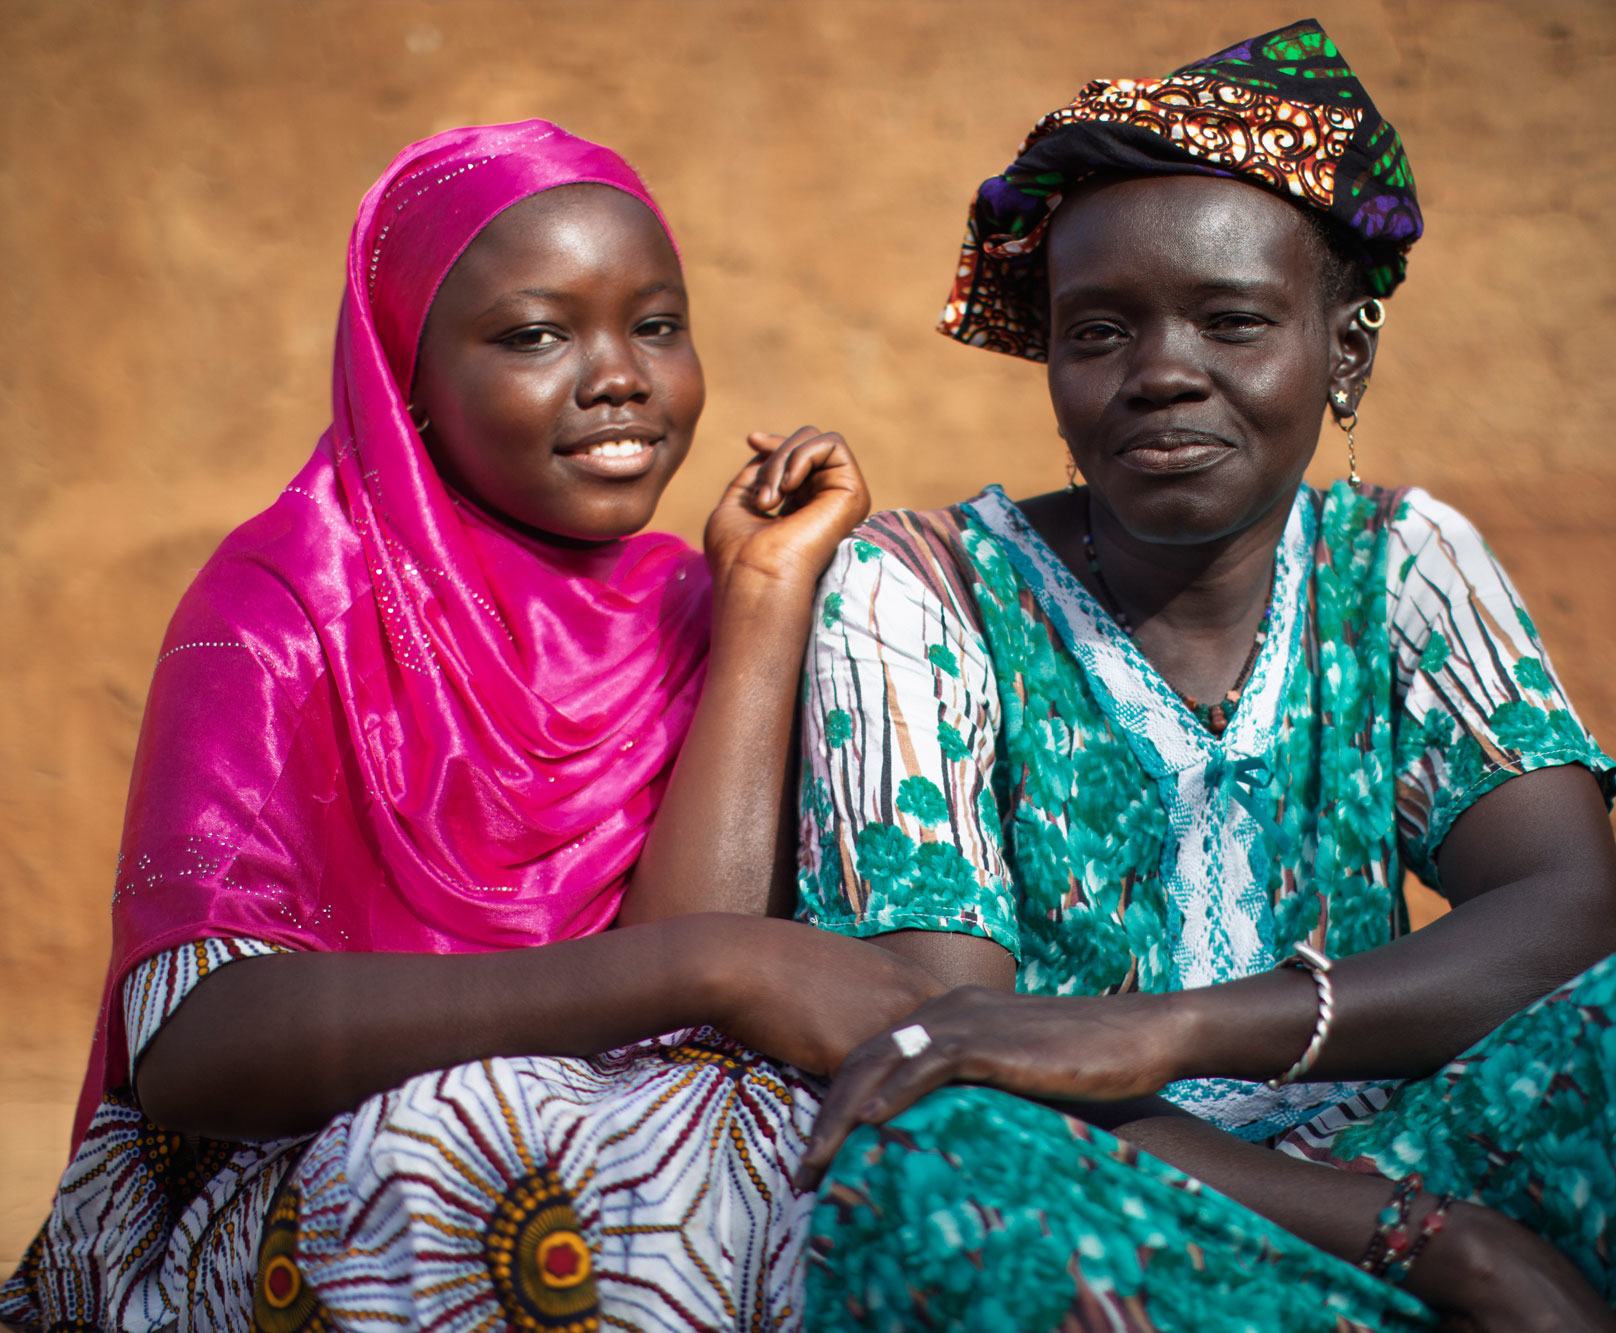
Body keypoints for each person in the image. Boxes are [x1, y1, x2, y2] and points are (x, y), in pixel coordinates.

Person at [793, 22, 1616, 1332]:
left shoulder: (1401, 566)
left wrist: (1179, 1029)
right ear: (1050, 361)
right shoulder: (922, 591)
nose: (1162, 371)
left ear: (1345, 355)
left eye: (1232, 321)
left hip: (1413, 1144)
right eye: (1099, 331)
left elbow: (1565, 915)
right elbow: (958, 1046)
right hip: (1117, 1193)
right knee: (925, 1178)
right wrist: (1439, 1244)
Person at [0, 121, 942, 1331]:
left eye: (656, 323)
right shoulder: (283, 605)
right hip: (305, 1175)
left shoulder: (690, 600)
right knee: (451, 1148)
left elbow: (672, 996)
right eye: (536, 334)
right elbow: (197, 1046)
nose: (619, 374)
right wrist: (714, 964)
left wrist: (760, 602)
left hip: (610, 1155)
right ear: (410, 384)